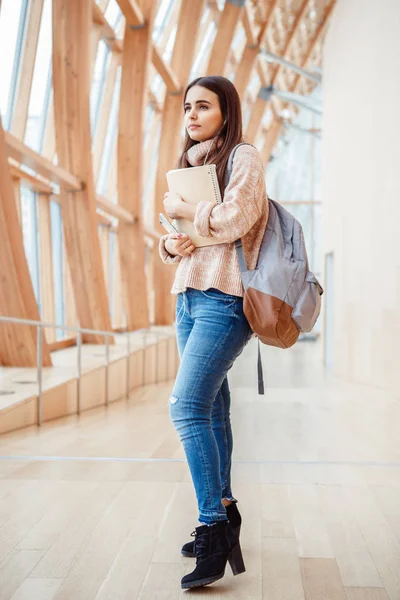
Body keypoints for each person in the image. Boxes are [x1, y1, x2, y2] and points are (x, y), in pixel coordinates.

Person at [159, 75, 269, 590]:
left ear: (227, 109)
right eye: (187, 107)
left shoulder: (243, 156)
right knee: (213, 409)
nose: (193, 114)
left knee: (185, 407)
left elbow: (236, 219)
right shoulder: (191, 164)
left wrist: (188, 214)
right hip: (188, 296)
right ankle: (225, 507)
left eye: (203, 105)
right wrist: (172, 243)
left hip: (225, 301)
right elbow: (182, 232)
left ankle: (213, 526)